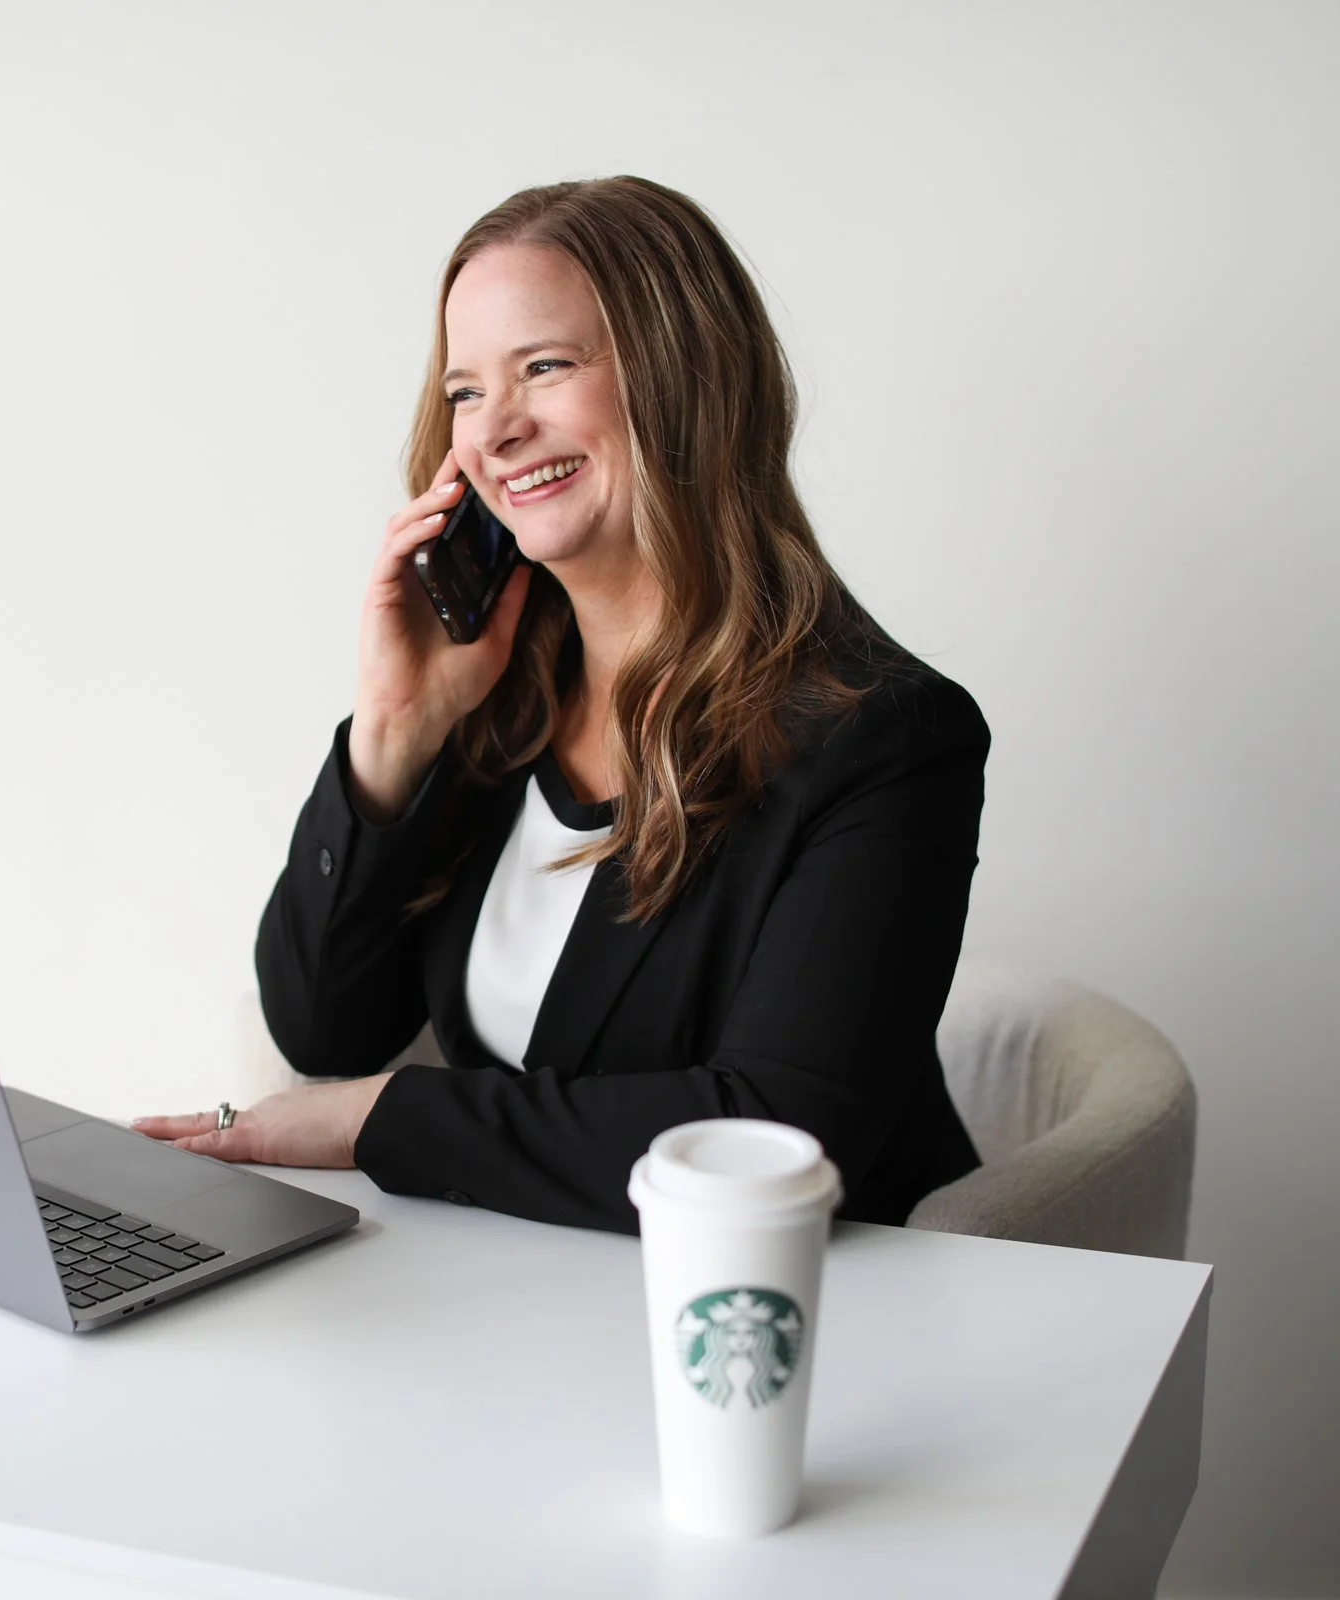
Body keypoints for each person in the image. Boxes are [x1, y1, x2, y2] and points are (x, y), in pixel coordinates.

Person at [131, 176, 987, 1233]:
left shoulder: (884, 739)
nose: (496, 431)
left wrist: (383, 1121)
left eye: (545, 366)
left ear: (687, 380)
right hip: (523, 1295)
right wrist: (395, 734)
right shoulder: (496, 701)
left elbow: (776, 1136)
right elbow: (324, 1032)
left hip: (780, 1325)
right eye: (465, 392)